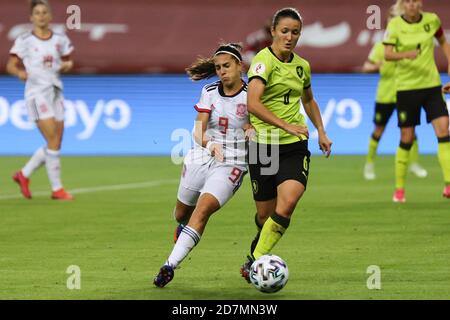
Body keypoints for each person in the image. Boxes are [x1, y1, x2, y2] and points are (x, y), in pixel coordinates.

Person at [240, 7, 332, 282]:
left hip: (294, 144)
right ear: (273, 32)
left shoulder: (302, 66)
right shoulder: (262, 61)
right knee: (264, 215)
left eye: (295, 32)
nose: (289, 37)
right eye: (284, 31)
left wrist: (321, 132)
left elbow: (308, 100)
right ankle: (260, 246)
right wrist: (284, 124)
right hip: (263, 146)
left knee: (288, 202)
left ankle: (255, 262)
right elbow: (252, 103)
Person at [153, 43, 254, 288]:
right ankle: (182, 229)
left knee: (202, 210)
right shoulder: (209, 91)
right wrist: (209, 144)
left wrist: (252, 129)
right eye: (218, 67)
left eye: (227, 66)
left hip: (233, 163)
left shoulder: (252, 93)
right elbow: (198, 129)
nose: (221, 71)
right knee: (181, 214)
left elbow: (259, 122)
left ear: (239, 66)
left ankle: (169, 266)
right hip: (201, 155)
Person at [6, 0, 74, 200]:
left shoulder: (60, 39)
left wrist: (67, 66)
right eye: (37, 13)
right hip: (36, 94)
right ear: (31, 17)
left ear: (50, 16)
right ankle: (57, 189)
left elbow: (68, 60)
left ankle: (24, 174)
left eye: (45, 12)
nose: (41, 16)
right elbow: (10, 64)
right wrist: (19, 72)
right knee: (52, 139)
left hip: (55, 91)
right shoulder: (25, 40)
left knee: (57, 141)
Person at [384, 0, 450, 202]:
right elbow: (387, 54)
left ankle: (448, 184)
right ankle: (399, 189)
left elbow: (443, 42)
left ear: (420, 4)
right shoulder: (395, 25)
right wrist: (406, 54)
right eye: (408, 1)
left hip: (431, 85)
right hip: (406, 88)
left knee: (443, 131)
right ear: (403, 5)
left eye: (415, 1)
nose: (412, 5)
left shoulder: (432, 20)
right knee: (407, 137)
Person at [363, 5, 427, 181]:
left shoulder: (409, 45)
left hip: (406, 92)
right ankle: (369, 164)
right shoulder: (380, 47)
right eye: (391, 19)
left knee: (410, 131)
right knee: (378, 130)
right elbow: (366, 66)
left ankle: (414, 164)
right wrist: (376, 66)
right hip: (385, 95)